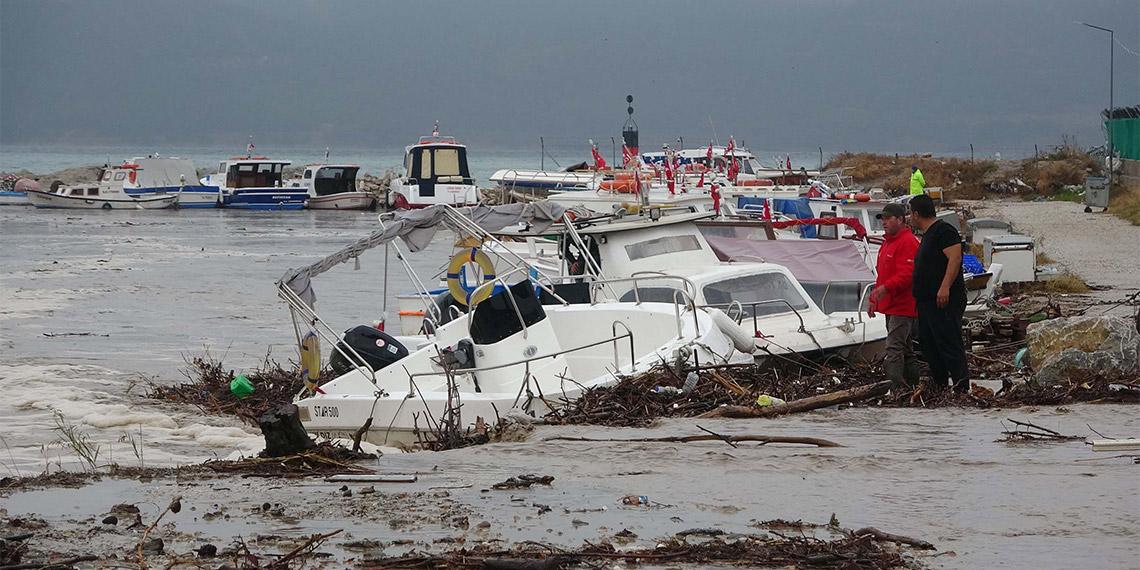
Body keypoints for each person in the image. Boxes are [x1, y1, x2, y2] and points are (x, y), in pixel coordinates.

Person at [909, 194, 969, 392]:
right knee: (929, 345)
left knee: (949, 342)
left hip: (944, 299)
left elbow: (955, 258)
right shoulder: (928, 234)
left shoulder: (944, 231)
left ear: (916, 214)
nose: (910, 218)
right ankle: (941, 386)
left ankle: (961, 388)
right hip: (926, 301)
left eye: (910, 214)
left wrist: (945, 287)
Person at [868, 203, 920, 387]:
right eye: (882, 219)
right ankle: (911, 387)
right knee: (905, 349)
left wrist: (885, 289)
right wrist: (874, 298)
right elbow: (882, 275)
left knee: (894, 348)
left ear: (900, 219)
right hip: (890, 305)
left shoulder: (908, 242)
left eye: (888, 218)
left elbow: (908, 274)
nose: (884, 222)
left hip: (903, 306)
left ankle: (894, 389)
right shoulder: (887, 244)